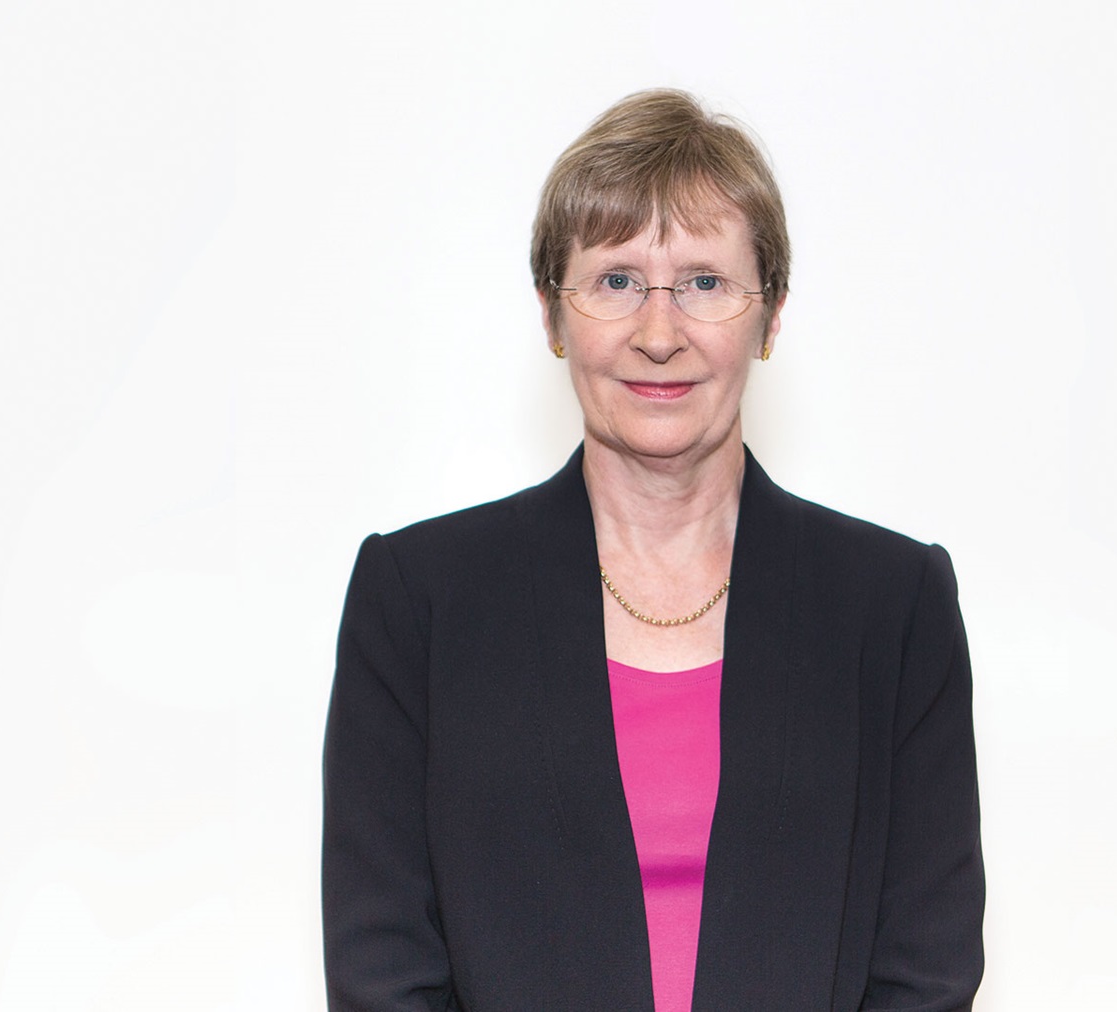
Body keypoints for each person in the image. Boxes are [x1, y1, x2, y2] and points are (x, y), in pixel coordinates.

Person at [322, 88, 984, 1011]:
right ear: (553, 316)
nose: (660, 334)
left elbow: (926, 969)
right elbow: (382, 970)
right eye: (616, 281)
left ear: (771, 316)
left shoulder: (894, 605)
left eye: (705, 282)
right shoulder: (418, 602)